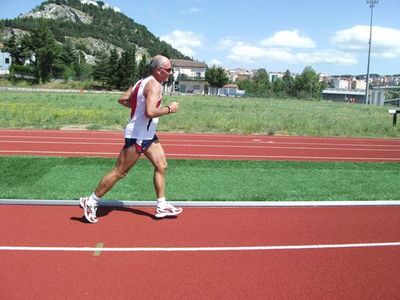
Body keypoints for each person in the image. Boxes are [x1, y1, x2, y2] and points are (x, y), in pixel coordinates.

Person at [79, 55, 182, 223]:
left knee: (161, 165)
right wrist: (169, 109)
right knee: (120, 171)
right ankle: (90, 201)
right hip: (138, 135)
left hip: (148, 135)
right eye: (168, 70)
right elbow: (150, 112)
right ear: (158, 70)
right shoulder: (154, 85)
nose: (170, 73)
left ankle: (161, 205)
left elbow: (123, 99)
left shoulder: (141, 82)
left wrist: (138, 108)